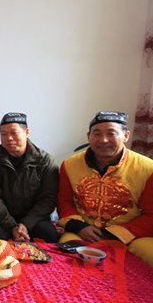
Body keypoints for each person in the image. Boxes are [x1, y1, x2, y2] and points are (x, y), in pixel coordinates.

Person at [57, 111, 153, 266]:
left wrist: (114, 234)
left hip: (132, 236)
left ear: (126, 136)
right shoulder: (69, 165)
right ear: (89, 136)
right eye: (97, 133)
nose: (103, 140)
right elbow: (64, 201)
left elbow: (151, 216)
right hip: (83, 232)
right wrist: (80, 227)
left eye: (111, 133)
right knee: (65, 256)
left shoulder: (148, 169)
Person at [0, 113, 59, 242]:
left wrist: (26, 224)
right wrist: (12, 226)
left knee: (49, 234)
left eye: (14, 133)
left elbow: (48, 199)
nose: (9, 138)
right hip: (2, 219)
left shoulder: (45, 161)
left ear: (27, 132)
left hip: (34, 218)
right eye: (3, 134)